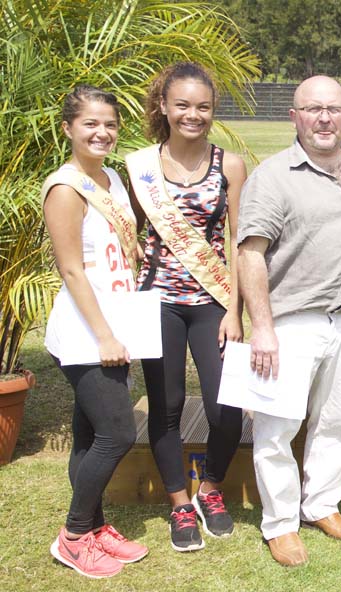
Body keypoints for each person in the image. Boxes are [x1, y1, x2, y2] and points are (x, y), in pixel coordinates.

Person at [238, 75, 341, 567]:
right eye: (312, 109)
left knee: (337, 420)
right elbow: (251, 255)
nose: (324, 118)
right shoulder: (273, 176)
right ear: (294, 117)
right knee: (278, 428)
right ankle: (280, 525)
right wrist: (261, 327)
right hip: (292, 321)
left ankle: (321, 504)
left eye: (334, 109)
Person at [126, 62, 247, 552]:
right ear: (163, 106)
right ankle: (179, 502)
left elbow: (240, 240)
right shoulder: (139, 167)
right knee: (168, 404)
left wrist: (236, 309)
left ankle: (211, 489)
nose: (192, 115)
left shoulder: (231, 165)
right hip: (158, 303)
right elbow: (125, 228)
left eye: (203, 107)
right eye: (182, 106)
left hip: (213, 301)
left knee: (227, 408)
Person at [42, 85, 148, 578]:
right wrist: (105, 335)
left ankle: (95, 527)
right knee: (117, 433)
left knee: (88, 435)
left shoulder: (110, 179)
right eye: (89, 124)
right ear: (68, 128)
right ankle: (73, 535)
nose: (101, 132)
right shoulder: (65, 188)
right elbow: (71, 270)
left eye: (109, 123)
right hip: (88, 329)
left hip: (117, 321)